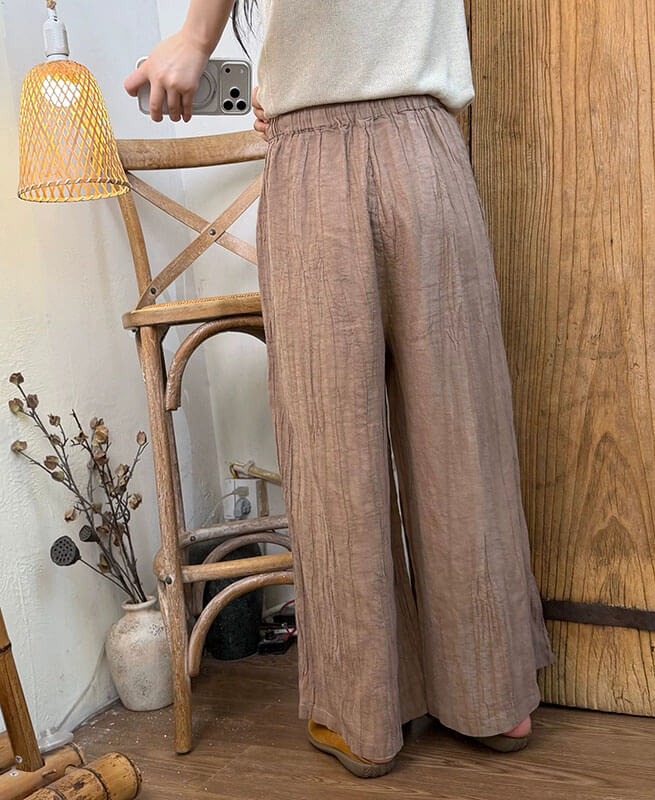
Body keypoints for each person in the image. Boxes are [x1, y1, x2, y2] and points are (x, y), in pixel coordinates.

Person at [124, 0, 554, 779]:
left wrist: (195, 36)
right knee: (462, 429)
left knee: (331, 444)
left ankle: (363, 713)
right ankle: (493, 695)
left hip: (315, 158)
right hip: (425, 146)